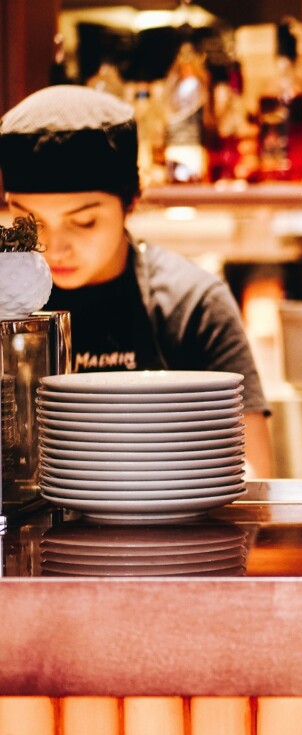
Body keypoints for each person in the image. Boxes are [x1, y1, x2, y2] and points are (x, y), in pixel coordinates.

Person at [0, 85, 273, 476]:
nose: (55, 247)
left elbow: (255, 475)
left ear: (130, 202)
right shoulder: (6, 307)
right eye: (31, 223)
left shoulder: (193, 304)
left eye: (83, 222)